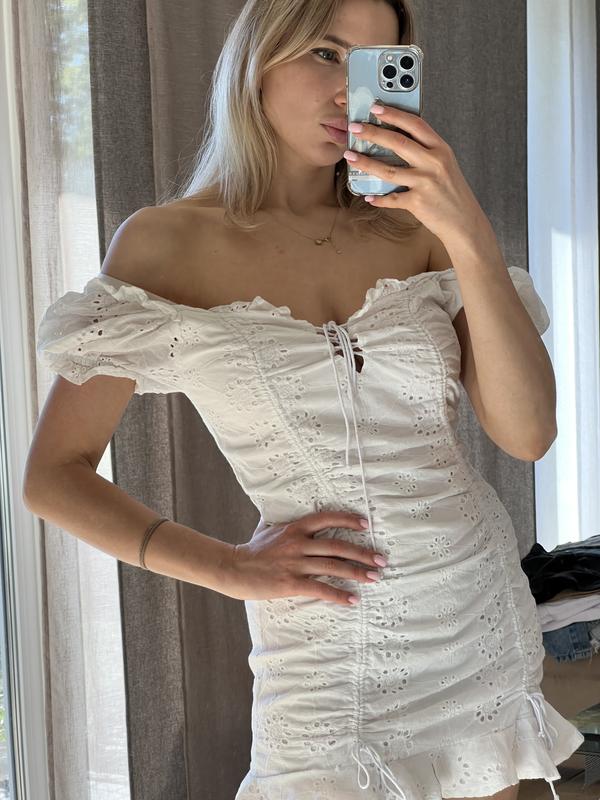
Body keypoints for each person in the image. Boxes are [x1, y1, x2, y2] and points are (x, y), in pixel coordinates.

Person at [24, 0, 584, 798]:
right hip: (325, 644)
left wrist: (467, 231)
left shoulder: (418, 230)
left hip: (476, 610)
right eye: (326, 53)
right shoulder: (165, 245)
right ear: (260, 55)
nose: (348, 91)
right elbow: (53, 476)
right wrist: (230, 568)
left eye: (374, 64)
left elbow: (528, 434)